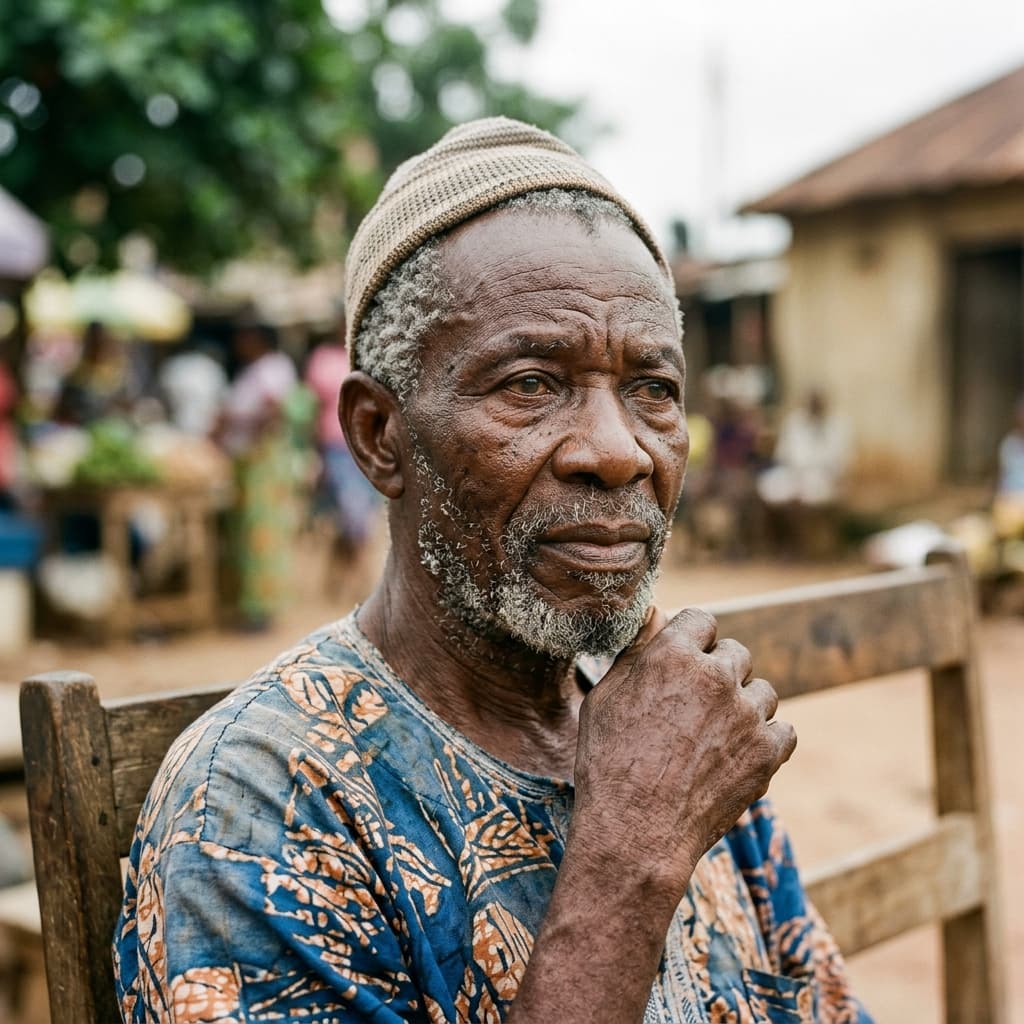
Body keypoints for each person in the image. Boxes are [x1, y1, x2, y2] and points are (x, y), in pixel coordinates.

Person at [115, 119, 871, 1023]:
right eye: (529, 384)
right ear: (378, 435)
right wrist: (627, 865)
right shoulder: (261, 809)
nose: (618, 451)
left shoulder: (679, 727)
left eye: (653, 391)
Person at [215, 321, 298, 630]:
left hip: (262, 462)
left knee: (261, 535)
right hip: (248, 462)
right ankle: (248, 604)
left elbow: (274, 410)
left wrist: (252, 440)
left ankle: (261, 609)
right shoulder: (253, 370)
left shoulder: (273, 368)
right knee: (246, 534)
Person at [304, 320, 381, 581]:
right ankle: (356, 575)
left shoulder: (369, 355)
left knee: (363, 514)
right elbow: (313, 407)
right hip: (336, 446)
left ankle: (348, 576)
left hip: (369, 445)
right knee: (350, 511)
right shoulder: (322, 359)